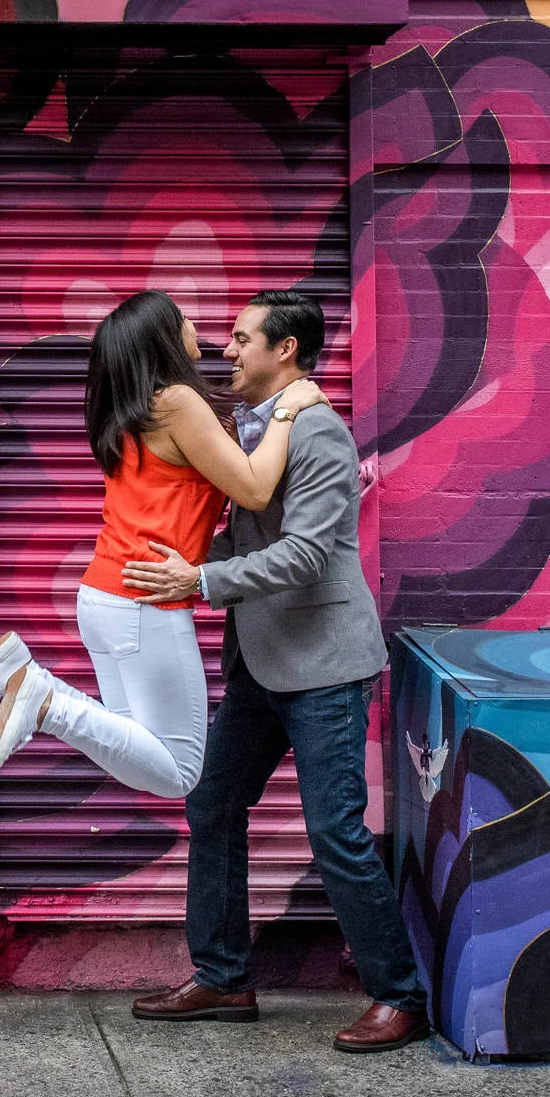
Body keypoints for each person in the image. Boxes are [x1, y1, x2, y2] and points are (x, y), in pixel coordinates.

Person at [118, 289, 428, 1051]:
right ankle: (223, 976)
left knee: (335, 832)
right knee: (212, 805)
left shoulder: (317, 434)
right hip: (262, 662)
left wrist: (203, 582)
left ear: (285, 350)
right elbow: (248, 536)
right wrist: (189, 565)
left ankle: (400, 993)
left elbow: (305, 554)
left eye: (242, 337)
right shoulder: (255, 429)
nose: (227, 349)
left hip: (323, 666)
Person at [0, 289, 322, 804]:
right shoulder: (177, 402)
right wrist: (287, 411)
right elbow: (253, 488)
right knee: (181, 773)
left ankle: (23, 679)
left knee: (133, 748)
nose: (199, 327)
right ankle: (43, 696)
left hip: (104, 596)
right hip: (145, 600)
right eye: (184, 317)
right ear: (164, 336)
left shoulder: (135, 409)